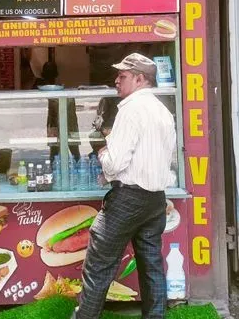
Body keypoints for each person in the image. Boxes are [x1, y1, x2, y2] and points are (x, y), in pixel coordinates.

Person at [74, 53, 176, 319]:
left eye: (123, 76)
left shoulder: (131, 109)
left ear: (140, 79)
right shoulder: (162, 110)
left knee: (98, 265)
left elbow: (113, 164)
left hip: (128, 198)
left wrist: (102, 152)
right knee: (151, 264)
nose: (117, 81)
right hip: (156, 200)